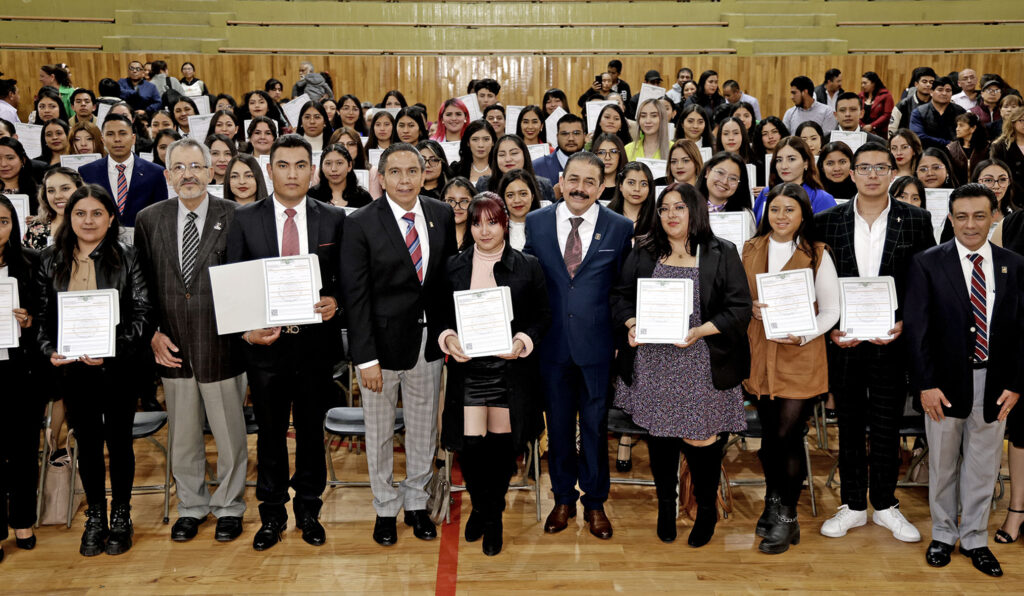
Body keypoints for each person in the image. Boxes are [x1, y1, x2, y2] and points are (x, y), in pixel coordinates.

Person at [611, 182, 751, 546]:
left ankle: (706, 509)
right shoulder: (644, 250)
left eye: (679, 208)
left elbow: (739, 308)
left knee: (701, 440)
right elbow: (621, 297)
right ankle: (665, 505)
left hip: (702, 361)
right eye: (664, 209)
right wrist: (631, 325)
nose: (671, 215)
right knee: (661, 438)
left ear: (695, 211)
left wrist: (700, 331)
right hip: (655, 361)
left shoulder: (722, 251)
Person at [226, 134, 345, 551]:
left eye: (300, 165)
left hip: (315, 347)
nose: (292, 173)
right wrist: (246, 331)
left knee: (312, 433)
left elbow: (347, 282)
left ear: (312, 171)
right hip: (265, 348)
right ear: (269, 170)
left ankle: (309, 510)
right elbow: (232, 288)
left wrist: (336, 302)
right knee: (271, 435)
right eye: (283, 165)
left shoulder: (334, 218)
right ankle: (272, 514)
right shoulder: (243, 219)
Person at [815, 142, 935, 543]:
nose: (870, 175)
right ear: (851, 174)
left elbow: (924, 283)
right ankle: (851, 504)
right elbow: (817, 284)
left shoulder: (916, 219)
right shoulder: (826, 221)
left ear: (892, 172)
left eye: (879, 168)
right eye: (862, 168)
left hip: (891, 339)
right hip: (844, 341)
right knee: (848, 425)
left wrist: (906, 322)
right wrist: (829, 326)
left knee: (886, 426)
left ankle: (884, 505)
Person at [340, 142, 458, 547]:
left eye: (413, 171)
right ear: (381, 177)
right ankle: (385, 508)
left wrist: (450, 333)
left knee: (424, 430)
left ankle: (415, 505)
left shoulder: (441, 214)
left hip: (428, 344)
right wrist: (365, 359)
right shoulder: (360, 223)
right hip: (380, 348)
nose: (405, 179)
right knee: (378, 431)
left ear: (426, 173)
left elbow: (445, 284)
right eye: (396, 172)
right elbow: (355, 297)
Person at [905, 183, 1023, 578]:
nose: (970, 224)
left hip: (995, 384)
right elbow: (917, 330)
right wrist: (925, 384)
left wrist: (1017, 381)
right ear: (950, 218)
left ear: (994, 216)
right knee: (941, 462)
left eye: (979, 215)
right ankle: (942, 533)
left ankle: (974, 537)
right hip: (943, 383)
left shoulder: (1014, 264)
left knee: (983, 465)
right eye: (961, 216)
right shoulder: (927, 263)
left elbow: (1022, 329)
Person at [134, 137, 248, 544]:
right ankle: (192, 506)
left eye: (196, 166)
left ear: (212, 170)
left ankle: (230, 506)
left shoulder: (236, 216)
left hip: (223, 345)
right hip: (173, 347)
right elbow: (141, 285)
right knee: (182, 435)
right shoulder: (149, 219)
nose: (189, 175)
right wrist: (152, 334)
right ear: (167, 175)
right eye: (179, 168)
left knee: (230, 434)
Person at [36, 184, 153, 556]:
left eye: (97, 213)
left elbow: (142, 312)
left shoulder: (129, 256)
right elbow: (41, 317)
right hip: (72, 371)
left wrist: (114, 350)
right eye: (80, 213)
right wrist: (49, 350)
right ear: (69, 218)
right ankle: (96, 516)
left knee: (119, 443)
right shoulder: (50, 259)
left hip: (116, 368)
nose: (89, 221)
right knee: (86, 444)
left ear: (110, 218)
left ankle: (122, 514)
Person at [524, 151, 633, 540]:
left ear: (603, 187)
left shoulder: (619, 227)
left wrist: (622, 339)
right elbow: (529, 285)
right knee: (556, 427)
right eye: (573, 179)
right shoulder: (535, 223)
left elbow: (624, 290)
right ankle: (563, 499)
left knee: (593, 427)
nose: (580, 188)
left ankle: (596, 503)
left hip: (598, 348)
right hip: (550, 347)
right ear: (561, 181)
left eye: (590, 182)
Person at [438, 194, 550, 556]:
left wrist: (521, 341)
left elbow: (542, 317)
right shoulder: (453, 265)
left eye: (492, 222)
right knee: (471, 446)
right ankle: (483, 506)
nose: (484, 231)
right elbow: (439, 315)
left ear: (505, 224)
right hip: (468, 369)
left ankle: (493, 514)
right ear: (469, 226)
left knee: (501, 448)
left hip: (509, 368)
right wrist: (448, 337)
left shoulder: (528, 265)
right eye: (477, 223)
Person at [743, 183, 840, 554]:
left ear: (803, 215)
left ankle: (787, 516)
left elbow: (830, 311)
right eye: (775, 209)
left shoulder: (817, 254)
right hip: (760, 354)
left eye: (789, 210)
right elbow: (739, 298)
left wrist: (803, 334)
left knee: (787, 436)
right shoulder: (750, 248)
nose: (781, 217)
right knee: (769, 438)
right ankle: (773, 503)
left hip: (800, 356)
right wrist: (748, 307)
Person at [0, 195, 40, 561]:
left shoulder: (29, 263)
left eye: (2, 221)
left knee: (24, 449)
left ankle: (23, 520)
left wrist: (29, 322)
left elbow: (46, 317)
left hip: (19, 369)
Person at [79, 114, 168, 227]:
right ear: (103, 140)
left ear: (133, 138)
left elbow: (161, 216)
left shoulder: (155, 172)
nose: (117, 139)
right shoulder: (87, 172)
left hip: (142, 241)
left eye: (123, 133)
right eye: (110, 134)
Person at [754, 136, 837, 223]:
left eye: (791, 159)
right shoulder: (765, 193)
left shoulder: (822, 198)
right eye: (779, 160)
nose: (784, 166)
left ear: (806, 163)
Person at [24, 166, 82, 249]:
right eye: (51, 191)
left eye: (65, 188)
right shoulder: (36, 228)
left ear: (80, 190)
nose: (57, 196)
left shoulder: (91, 225)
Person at [308, 144, 372, 209]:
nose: (334, 169)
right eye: (328, 163)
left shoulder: (363, 198)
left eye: (339, 163)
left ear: (349, 166)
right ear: (321, 167)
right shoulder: (311, 196)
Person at [911, 77, 967, 149]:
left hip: (955, 153)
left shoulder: (960, 111)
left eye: (948, 90)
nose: (944, 93)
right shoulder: (919, 112)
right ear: (931, 92)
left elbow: (967, 133)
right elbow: (918, 136)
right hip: (927, 153)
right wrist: (948, 143)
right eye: (940, 90)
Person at [607, 161, 656, 238]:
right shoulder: (606, 216)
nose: (637, 189)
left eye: (643, 184)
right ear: (621, 186)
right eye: (631, 183)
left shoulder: (657, 220)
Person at [533, 113, 585, 184]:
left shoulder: (597, 165)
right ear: (557, 137)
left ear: (584, 136)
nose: (571, 138)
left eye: (576, 133)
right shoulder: (537, 167)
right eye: (565, 134)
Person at [498, 169, 542, 250]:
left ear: (532, 196)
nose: (517, 200)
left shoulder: (546, 225)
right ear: (503, 199)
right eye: (510, 195)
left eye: (523, 194)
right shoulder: (496, 229)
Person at [989, 106, 1024, 201]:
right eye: (1021, 120)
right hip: (1011, 195)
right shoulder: (1000, 145)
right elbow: (996, 171)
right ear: (1013, 123)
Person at [890, 67, 937, 135]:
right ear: (916, 84)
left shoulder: (939, 104)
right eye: (924, 81)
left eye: (931, 82)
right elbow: (892, 129)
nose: (928, 85)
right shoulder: (903, 105)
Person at [948, 112, 990, 185]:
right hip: (958, 190)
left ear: (973, 128)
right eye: (957, 126)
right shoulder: (951, 148)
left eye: (961, 126)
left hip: (981, 190)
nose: (957, 129)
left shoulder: (987, 147)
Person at [451, 120, 496, 184]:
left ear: (493, 142)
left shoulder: (501, 167)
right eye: (475, 139)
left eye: (486, 139)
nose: (481, 145)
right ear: (468, 142)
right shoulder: (456, 169)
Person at [593, 133, 627, 202]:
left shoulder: (627, 187)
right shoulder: (588, 186)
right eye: (602, 152)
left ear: (620, 155)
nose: (607, 158)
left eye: (613, 152)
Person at [442, 176, 474, 249]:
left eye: (464, 201)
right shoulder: (433, 234)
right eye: (451, 201)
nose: (457, 207)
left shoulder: (481, 235)